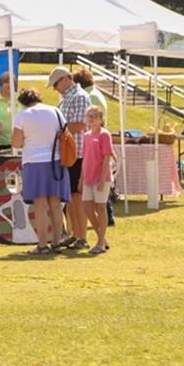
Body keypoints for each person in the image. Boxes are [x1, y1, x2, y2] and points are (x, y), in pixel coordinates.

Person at [11, 88, 69, 254]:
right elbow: (65, 133)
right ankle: (57, 242)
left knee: (40, 205)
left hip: (34, 161)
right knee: (56, 205)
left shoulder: (22, 115)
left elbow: (16, 142)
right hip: (56, 160)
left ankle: (42, 244)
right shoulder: (55, 111)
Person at [52, 66, 90, 250]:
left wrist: (58, 132)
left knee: (77, 197)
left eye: (56, 84)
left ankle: (82, 236)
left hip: (78, 153)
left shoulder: (80, 97)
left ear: (66, 79)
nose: (55, 88)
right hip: (68, 153)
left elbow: (81, 124)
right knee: (70, 197)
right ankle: (75, 233)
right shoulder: (67, 98)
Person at [79, 105, 116, 254]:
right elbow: (85, 157)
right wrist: (81, 178)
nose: (91, 119)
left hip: (101, 176)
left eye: (94, 116)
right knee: (87, 208)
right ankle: (102, 237)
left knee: (100, 207)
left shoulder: (104, 135)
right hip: (88, 176)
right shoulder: (86, 135)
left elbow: (107, 157)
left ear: (101, 119)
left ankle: (100, 242)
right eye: (89, 116)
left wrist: (102, 179)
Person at [0, 71, 15, 152]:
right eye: (6, 82)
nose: (9, 85)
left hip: (16, 142)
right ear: (1, 84)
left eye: (11, 83)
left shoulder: (19, 98)